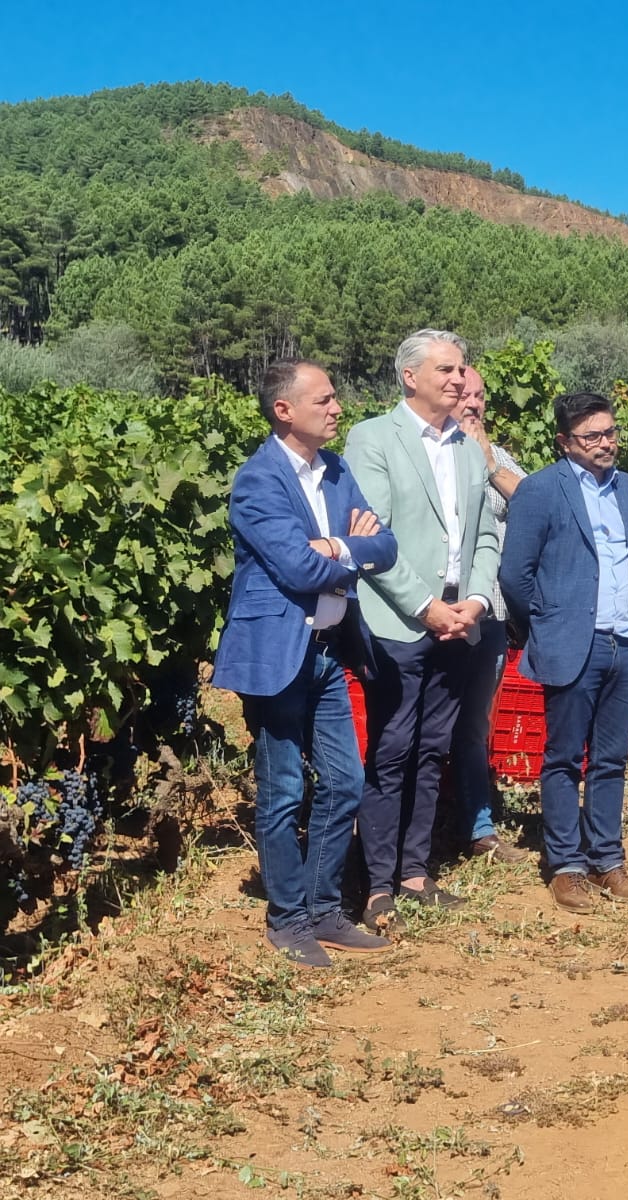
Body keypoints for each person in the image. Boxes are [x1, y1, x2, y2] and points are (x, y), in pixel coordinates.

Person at [214, 359, 398, 967]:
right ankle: (286, 918)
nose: (338, 407)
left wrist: (340, 546)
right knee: (284, 788)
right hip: (276, 656)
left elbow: (387, 546)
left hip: (326, 651)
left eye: (335, 397)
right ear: (283, 410)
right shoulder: (258, 481)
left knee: (345, 781)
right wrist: (352, 550)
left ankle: (323, 909)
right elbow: (297, 568)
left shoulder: (337, 471)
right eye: (324, 399)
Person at [344, 329, 500, 935]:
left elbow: (486, 535)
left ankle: (415, 874)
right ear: (410, 376)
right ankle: (377, 883)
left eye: (462, 370)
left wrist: (478, 601)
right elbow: (373, 539)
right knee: (392, 749)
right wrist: (426, 606)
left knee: (433, 748)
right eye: (447, 369)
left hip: (461, 623)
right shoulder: (373, 439)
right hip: (400, 622)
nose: (460, 379)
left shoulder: (466, 445)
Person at [501, 392, 628, 912]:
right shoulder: (541, 491)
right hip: (572, 644)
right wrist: (547, 622)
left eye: (609, 433)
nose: (605, 444)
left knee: (611, 758)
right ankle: (565, 864)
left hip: (623, 642)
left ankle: (608, 860)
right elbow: (514, 576)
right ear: (565, 442)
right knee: (563, 757)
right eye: (592, 437)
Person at [449, 366, 530, 863]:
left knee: (477, 724)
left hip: (490, 616)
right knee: (419, 724)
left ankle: (477, 826)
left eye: (480, 395)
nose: (473, 403)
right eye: (464, 394)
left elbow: (536, 504)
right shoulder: (422, 455)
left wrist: (488, 464)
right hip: (430, 615)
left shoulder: (498, 457)